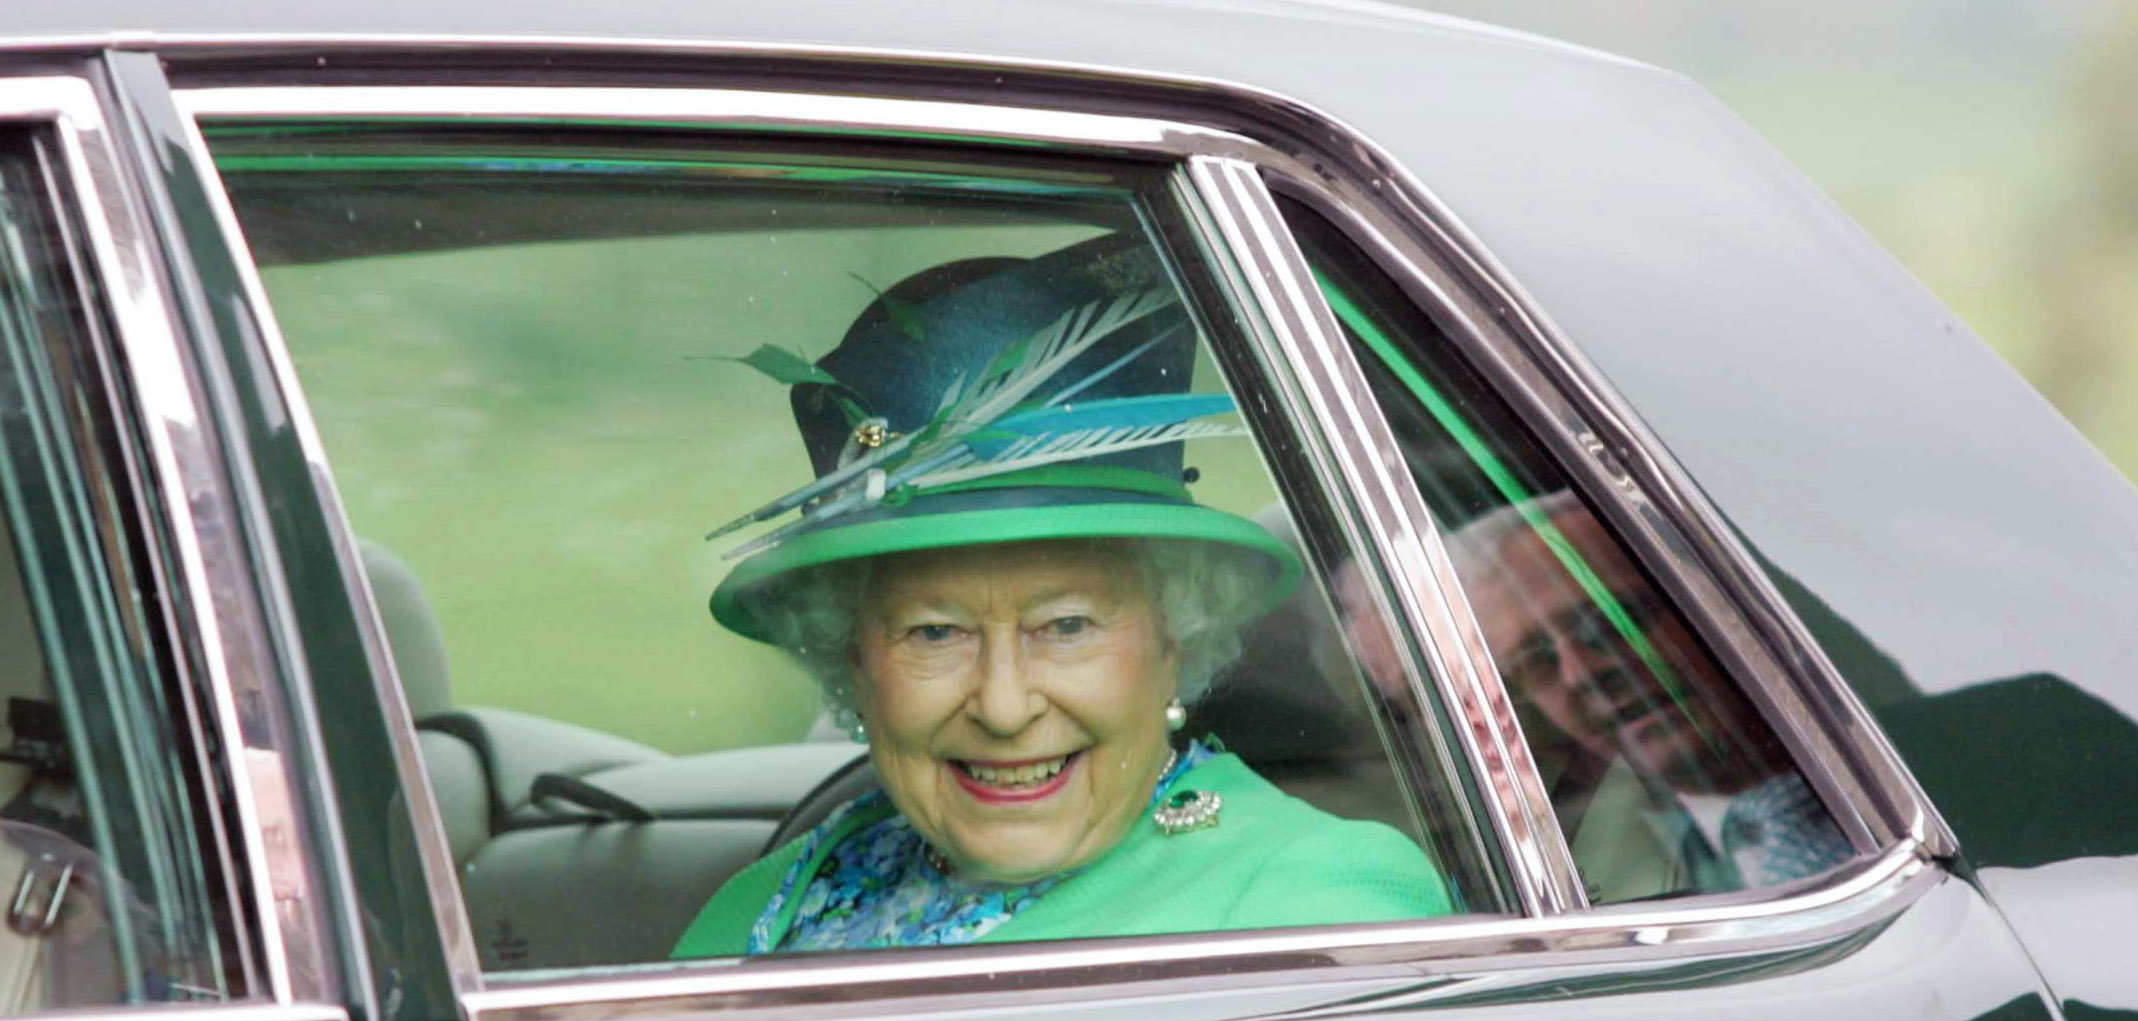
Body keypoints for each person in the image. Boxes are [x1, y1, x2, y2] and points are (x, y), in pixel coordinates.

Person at [673, 234, 1450, 956]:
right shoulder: (763, 908)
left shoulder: (1317, 907)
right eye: (934, 634)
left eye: (1067, 625)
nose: (1005, 709)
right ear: (855, 661)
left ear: (1173, 641)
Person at [1443, 493, 1853, 902]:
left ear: (1727, 605)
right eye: (1538, 661)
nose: (1579, 673)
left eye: (1608, 622)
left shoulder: (1883, 802)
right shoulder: (1550, 862)